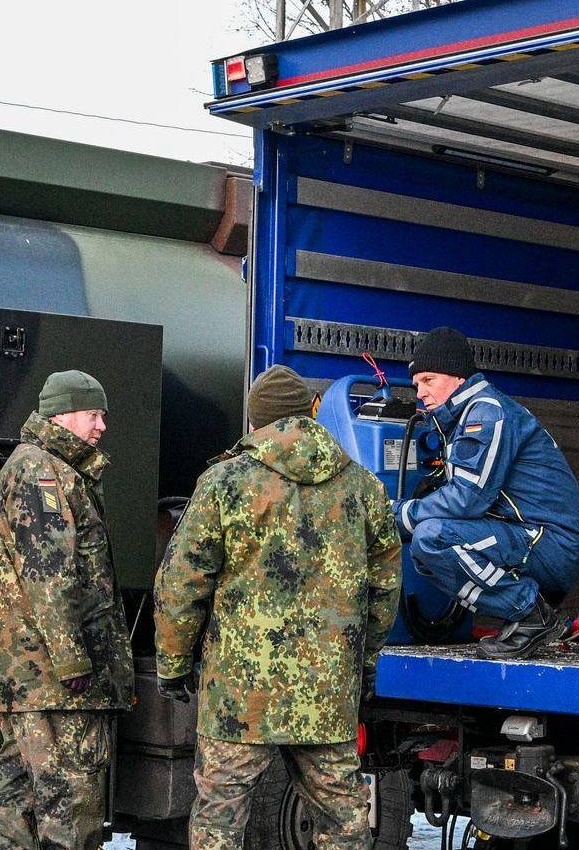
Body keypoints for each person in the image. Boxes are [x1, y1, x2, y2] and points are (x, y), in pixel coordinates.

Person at [155, 364, 402, 850]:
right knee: (344, 824)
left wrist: (174, 664)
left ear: (255, 423)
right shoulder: (362, 487)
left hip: (239, 700)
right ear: (312, 415)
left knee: (218, 825)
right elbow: (385, 587)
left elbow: (181, 584)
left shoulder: (225, 482)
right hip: (327, 693)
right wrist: (364, 664)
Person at [0, 369, 134, 850]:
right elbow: (49, 573)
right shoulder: (43, 474)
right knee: (70, 800)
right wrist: (72, 660)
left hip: (32, 679)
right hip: (53, 681)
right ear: (62, 414)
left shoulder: (43, 468)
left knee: (20, 799)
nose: (101, 425)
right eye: (93, 414)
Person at [399, 327, 579, 659]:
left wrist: (399, 514)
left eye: (428, 380)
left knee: (432, 537)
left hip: (553, 543)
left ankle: (530, 612)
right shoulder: (465, 415)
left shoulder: (486, 412)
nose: (420, 393)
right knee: (425, 544)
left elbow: (467, 499)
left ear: (458, 376)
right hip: (535, 537)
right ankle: (526, 613)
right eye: (417, 384)